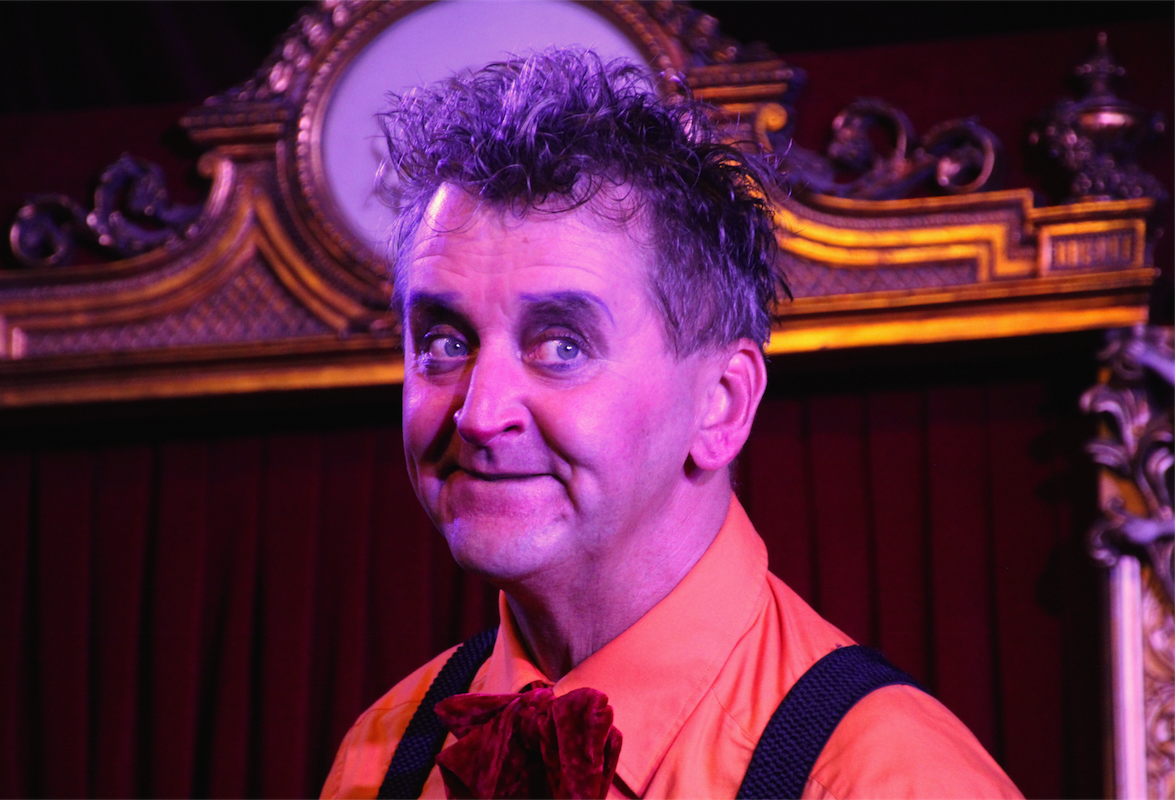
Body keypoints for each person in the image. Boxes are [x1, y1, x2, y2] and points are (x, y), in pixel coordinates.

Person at [322, 50, 1022, 800]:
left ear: (722, 403)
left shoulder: (888, 779)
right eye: (443, 343)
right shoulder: (379, 757)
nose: (480, 415)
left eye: (562, 346)